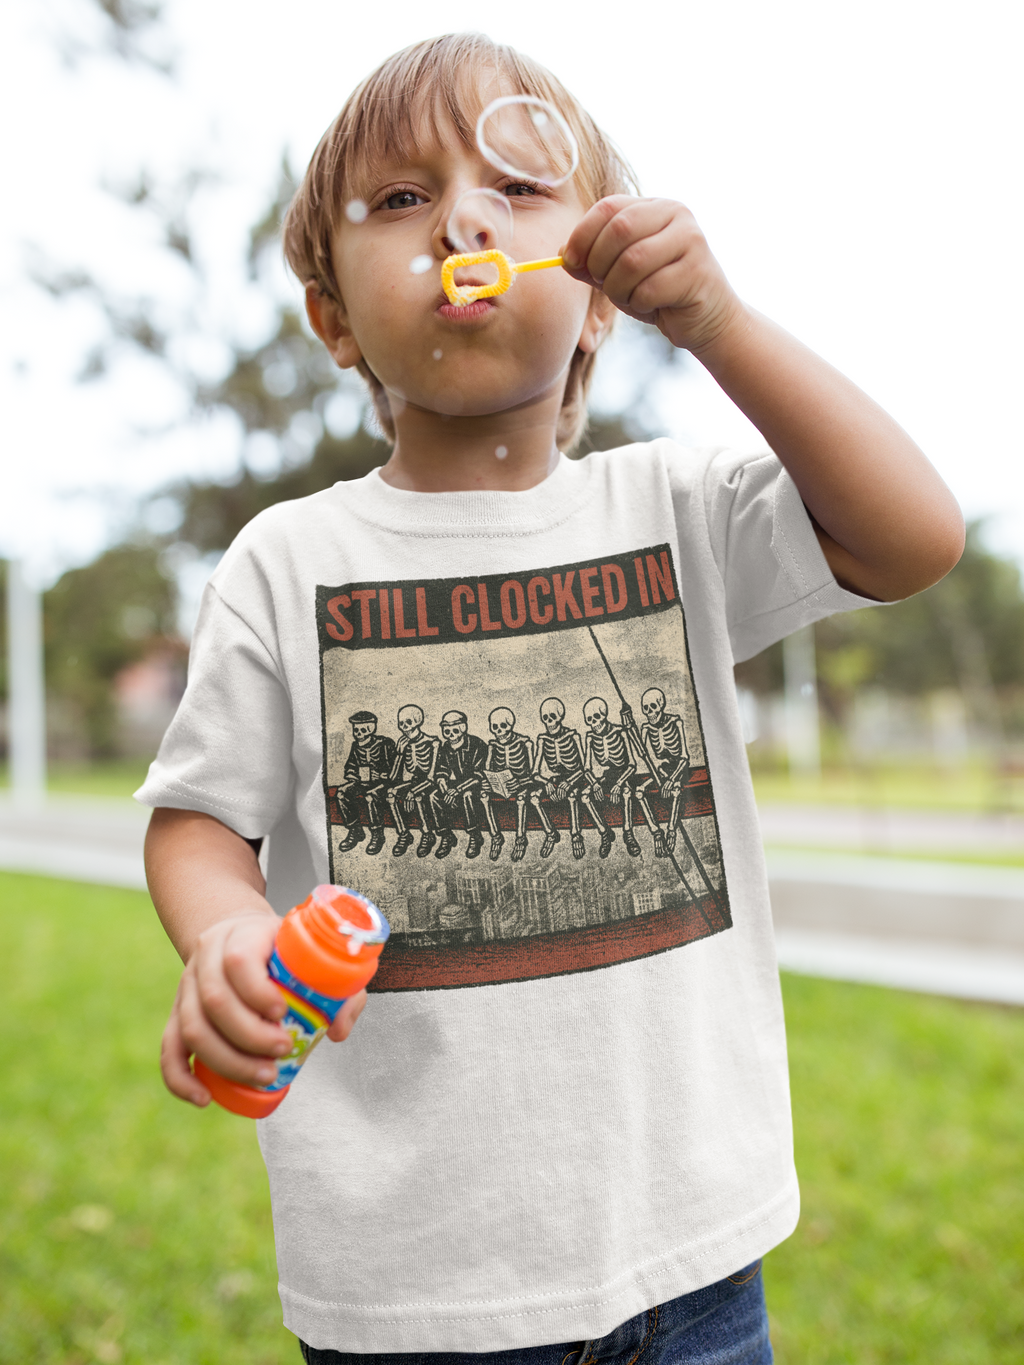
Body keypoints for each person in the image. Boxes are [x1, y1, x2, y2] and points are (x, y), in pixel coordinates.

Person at [138, 32, 965, 1365]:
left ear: (594, 292)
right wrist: (226, 935)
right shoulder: (289, 562)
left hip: (693, 1260)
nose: (462, 216)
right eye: (402, 200)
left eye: (517, 188)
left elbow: (913, 537)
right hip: (411, 1290)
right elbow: (196, 821)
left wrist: (724, 325)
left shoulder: (676, 510)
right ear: (334, 316)